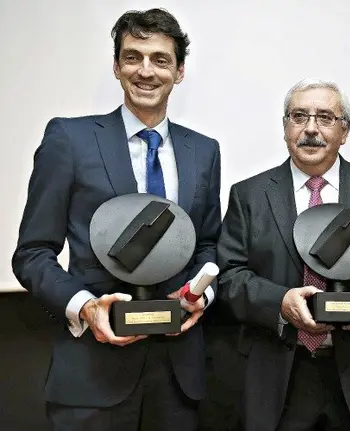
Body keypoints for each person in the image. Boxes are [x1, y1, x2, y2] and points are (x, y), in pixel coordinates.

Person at [11, 8, 221, 430]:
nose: (146, 71)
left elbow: (207, 243)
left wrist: (202, 296)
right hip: (90, 376)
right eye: (133, 57)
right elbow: (33, 254)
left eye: (160, 59)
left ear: (179, 71)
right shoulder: (68, 139)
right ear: (116, 66)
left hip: (179, 379)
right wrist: (86, 308)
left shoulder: (204, 151)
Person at [217, 78, 350, 431]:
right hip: (278, 376)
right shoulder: (249, 195)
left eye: (325, 118)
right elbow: (229, 276)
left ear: (345, 131)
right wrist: (280, 302)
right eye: (299, 116)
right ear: (285, 127)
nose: (311, 128)